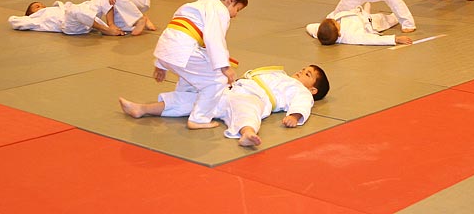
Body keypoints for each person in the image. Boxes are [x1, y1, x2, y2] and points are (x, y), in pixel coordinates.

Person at [120, 0, 248, 129]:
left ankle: (143, 109)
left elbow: (173, 33)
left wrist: (160, 64)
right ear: (231, 0)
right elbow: (214, 38)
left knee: (190, 88)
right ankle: (199, 119)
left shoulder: (192, 6)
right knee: (218, 80)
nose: (235, 15)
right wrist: (224, 67)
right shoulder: (219, 9)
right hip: (184, 51)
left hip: (170, 49)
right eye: (237, 9)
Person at [119, 63, 329, 147]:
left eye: (308, 74)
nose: (302, 72)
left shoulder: (301, 91)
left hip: (254, 98)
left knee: (246, 112)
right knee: (192, 100)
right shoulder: (280, 73)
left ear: (313, 90)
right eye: (303, 68)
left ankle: (247, 133)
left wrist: (295, 116)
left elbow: (302, 104)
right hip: (232, 90)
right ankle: (143, 109)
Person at [8, 0, 124, 36]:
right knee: (73, 10)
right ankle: (105, 30)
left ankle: (111, 24)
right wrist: (26, 18)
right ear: (31, 13)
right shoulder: (35, 19)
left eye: (42, 5)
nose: (42, 7)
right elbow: (13, 21)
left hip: (80, 15)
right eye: (37, 7)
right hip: (69, 25)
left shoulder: (55, 8)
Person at [307, 3, 412, 46]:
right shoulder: (351, 36)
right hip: (369, 23)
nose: (335, 20)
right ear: (338, 32)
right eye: (335, 23)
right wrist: (396, 39)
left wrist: (317, 33)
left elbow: (310, 27)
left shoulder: (323, 31)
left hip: (356, 13)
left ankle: (366, 8)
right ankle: (400, 16)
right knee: (389, 19)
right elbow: (372, 40)